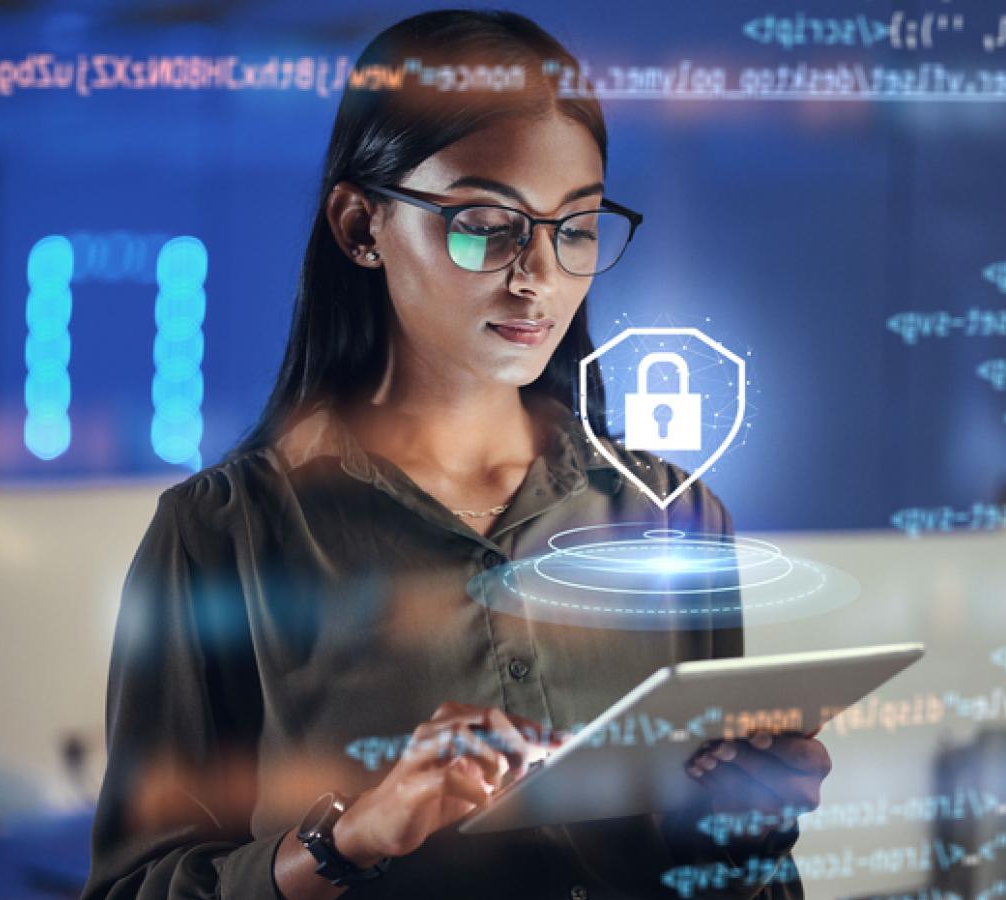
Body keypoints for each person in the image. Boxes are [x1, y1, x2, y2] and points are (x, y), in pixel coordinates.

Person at [80, 9, 830, 899]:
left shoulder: (668, 513)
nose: (537, 276)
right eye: (485, 223)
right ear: (361, 226)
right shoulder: (225, 535)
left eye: (576, 228)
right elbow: (134, 888)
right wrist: (348, 838)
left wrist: (745, 830)